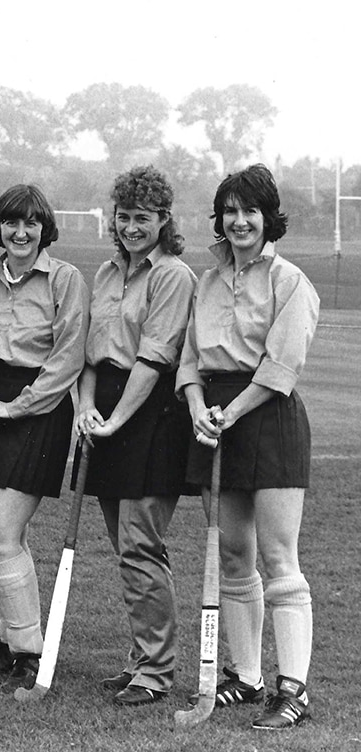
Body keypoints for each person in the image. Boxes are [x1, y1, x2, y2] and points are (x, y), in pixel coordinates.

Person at [177, 164, 319, 731]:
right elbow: (188, 358)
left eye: (249, 211)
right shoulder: (206, 282)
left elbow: (279, 367)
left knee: (279, 556)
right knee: (235, 554)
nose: (239, 221)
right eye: (230, 211)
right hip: (211, 417)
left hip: (266, 417)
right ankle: (248, 676)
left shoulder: (291, 282)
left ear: (268, 218)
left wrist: (228, 414)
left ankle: (294, 689)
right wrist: (196, 410)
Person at [0, 184, 89, 688]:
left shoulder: (65, 279)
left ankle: (30, 650)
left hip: (36, 411)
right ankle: (12, 645)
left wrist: (15, 407)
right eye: (11, 222)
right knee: (10, 538)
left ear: (44, 227)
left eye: (31, 223)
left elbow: (68, 357)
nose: (21, 232)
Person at [73, 166, 196, 706]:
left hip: (151, 416)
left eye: (142, 218)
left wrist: (118, 419)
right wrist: (84, 409)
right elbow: (90, 353)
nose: (130, 227)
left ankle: (157, 671)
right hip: (104, 413)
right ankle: (141, 659)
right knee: (126, 549)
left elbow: (153, 359)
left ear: (163, 220)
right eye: (123, 217)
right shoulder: (105, 273)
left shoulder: (174, 276)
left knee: (141, 544)